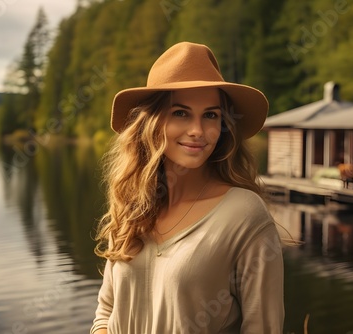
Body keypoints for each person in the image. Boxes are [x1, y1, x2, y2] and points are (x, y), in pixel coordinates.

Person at [91, 42, 284, 334]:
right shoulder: (133, 207)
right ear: (152, 122)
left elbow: (263, 327)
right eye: (181, 113)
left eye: (210, 115)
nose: (197, 130)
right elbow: (106, 313)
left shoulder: (244, 214)